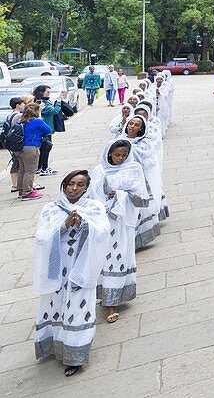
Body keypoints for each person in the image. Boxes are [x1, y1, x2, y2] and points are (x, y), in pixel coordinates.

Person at [32, 170, 110, 377]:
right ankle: (53, 345)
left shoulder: (94, 207)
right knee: (55, 305)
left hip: (81, 267)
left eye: (80, 185)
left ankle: (75, 355)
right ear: (64, 185)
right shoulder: (51, 209)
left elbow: (102, 232)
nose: (74, 189)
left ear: (86, 187)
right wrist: (63, 226)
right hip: (57, 269)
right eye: (70, 184)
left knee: (78, 307)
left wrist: (84, 225)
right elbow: (41, 237)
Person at [90, 139, 148, 322]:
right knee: (104, 260)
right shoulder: (99, 171)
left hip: (124, 223)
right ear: (109, 154)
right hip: (105, 222)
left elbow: (142, 197)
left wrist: (122, 195)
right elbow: (93, 196)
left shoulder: (134, 169)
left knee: (120, 258)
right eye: (117, 155)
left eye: (124, 155)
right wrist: (108, 203)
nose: (120, 158)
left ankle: (113, 302)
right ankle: (106, 297)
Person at [123, 116, 163, 249]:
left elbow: (149, 161)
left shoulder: (145, 143)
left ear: (141, 128)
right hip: (123, 182)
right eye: (130, 123)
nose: (132, 126)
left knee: (139, 209)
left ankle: (141, 238)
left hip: (139, 182)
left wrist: (131, 151)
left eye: (136, 125)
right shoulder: (119, 140)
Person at [16, 103, 52, 201]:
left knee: (22, 170)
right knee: (30, 171)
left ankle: (21, 190)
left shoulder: (21, 120)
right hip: (31, 148)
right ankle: (27, 192)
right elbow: (49, 130)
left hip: (19, 148)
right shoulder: (36, 121)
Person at [32, 85, 63, 177]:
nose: (49, 94)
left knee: (44, 149)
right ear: (41, 92)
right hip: (44, 130)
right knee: (45, 149)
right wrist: (59, 101)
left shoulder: (44, 102)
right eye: (47, 92)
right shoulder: (42, 103)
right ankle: (43, 167)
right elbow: (54, 111)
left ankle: (41, 167)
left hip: (45, 129)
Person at [6, 96, 32, 194]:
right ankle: (16, 184)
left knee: (15, 162)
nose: (24, 106)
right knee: (19, 163)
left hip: (11, 142)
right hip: (17, 142)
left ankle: (15, 184)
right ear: (18, 105)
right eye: (22, 104)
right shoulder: (17, 116)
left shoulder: (10, 115)